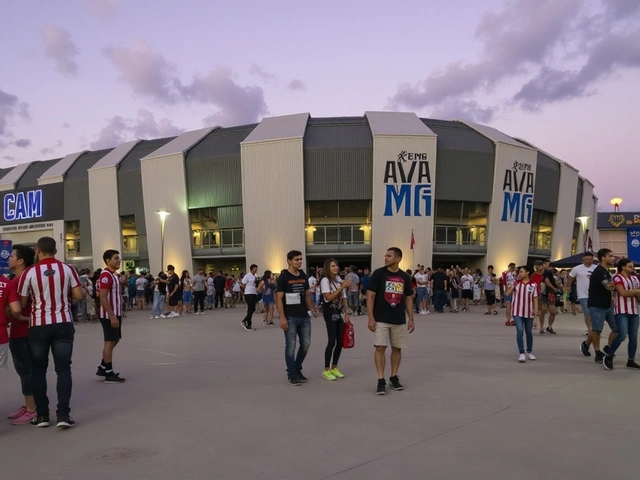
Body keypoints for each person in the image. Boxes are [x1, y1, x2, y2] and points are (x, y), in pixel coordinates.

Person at [17, 236, 82, 428]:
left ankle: (43, 415)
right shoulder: (68, 269)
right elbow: (78, 295)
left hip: (38, 325)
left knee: (38, 370)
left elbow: (21, 304)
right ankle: (63, 415)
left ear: (38, 251)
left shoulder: (29, 273)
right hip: (63, 323)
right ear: (55, 250)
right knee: (63, 369)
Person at [366, 247, 414, 395]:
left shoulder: (405, 277)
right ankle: (381, 380)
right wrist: (371, 318)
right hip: (381, 318)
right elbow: (370, 296)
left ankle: (394, 377)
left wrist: (411, 318)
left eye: (389, 256)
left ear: (398, 259)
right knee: (380, 348)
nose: (385, 258)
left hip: (398, 319)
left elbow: (408, 298)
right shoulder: (379, 274)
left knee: (397, 348)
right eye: (385, 255)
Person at [7, 245, 36, 425]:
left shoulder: (18, 282)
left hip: (22, 332)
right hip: (24, 330)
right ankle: (28, 404)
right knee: (25, 370)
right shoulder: (26, 278)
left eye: (11, 256)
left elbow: (14, 310)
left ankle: (32, 408)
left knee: (26, 371)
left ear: (20, 261)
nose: (8, 258)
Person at [276, 250, 313, 386]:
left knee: (306, 344)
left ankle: (297, 368)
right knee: (291, 346)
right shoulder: (283, 277)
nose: (299, 262)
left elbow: (307, 294)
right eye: (296, 259)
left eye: (300, 259)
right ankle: (291, 374)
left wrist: (311, 309)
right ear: (289, 261)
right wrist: (282, 318)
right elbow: (279, 299)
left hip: (303, 316)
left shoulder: (303, 274)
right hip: (290, 317)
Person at [603, 258, 640, 370]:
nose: (632, 268)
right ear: (623, 267)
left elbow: (635, 294)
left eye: (632, 266)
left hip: (634, 310)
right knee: (622, 335)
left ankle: (631, 360)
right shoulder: (617, 277)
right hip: (621, 311)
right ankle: (609, 355)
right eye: (629, 266)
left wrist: (636, 293)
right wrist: (637, 291)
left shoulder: (635, 278)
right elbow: (623, 293)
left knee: (633, 337)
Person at [97, 250, 126, 384]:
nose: (118, 261)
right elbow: (102, 296)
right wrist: (111, 315)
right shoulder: (106, 275)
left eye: (119, 259)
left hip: (116, 313)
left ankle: (103, 367)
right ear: (108, 261)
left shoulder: (114, 275)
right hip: (109, 315)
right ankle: (108, 373)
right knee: (109, 342)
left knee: (116, 339)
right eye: (115, 259)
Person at [320, 258, 351, 381]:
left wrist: (347, 312)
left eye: (337, 265)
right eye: (333, 266)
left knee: (340, 340)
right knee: (331, 340)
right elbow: (328, 297)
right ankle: (326, 369)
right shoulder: (325, 280)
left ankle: (334, 367)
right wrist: (342, 287)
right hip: (329, 311)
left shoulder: (338, 280)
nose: (336, 268)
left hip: (338, 311)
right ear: (328, 268)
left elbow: (344, 297)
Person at [587, 249, 619, 364]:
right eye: (610, 256)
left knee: (617, 329)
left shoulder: (606, 271)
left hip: (607, 305)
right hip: (597, 305)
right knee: (597, 329)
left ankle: (607, 347)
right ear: (603, 258)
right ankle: (597, 352)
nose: (613, 258)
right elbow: (609, 287)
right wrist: (618, 285)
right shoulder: (599, 271)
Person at [505, 265, 538, 363]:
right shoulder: (516, 283)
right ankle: (521, 352)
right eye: (519, 272)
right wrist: (512, 285)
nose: (520, 274)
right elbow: (508, 293)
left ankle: (530, 351)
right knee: (520, 330)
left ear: (528, 272)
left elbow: (535, 299)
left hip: (529, 312)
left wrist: (535, 313)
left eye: (522, 272)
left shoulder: (533, 285)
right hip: (517, 311)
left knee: (529, 332)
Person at [567, 252, 597, 355]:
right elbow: (571, 277)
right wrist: (569, 286)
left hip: (594, 294)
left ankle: (593, 328)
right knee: (587, 313)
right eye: (586, 259)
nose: (588, 261)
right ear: (583, 259)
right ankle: (589, 329)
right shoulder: (577, 268)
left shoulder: (596, 268)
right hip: (583, 294)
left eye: (590, 259)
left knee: (594, 313)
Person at [241, 264, 258, 331]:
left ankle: (247, 321)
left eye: (256, 269)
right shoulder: (247, 276)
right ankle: (247, 322)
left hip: (254, 292)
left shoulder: (256, 276)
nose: (256, 270)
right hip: (248, 293)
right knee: (251, 308)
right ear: (251, 269)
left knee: (252, 308)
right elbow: (243, 285)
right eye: (255, 269)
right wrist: (243, 293)